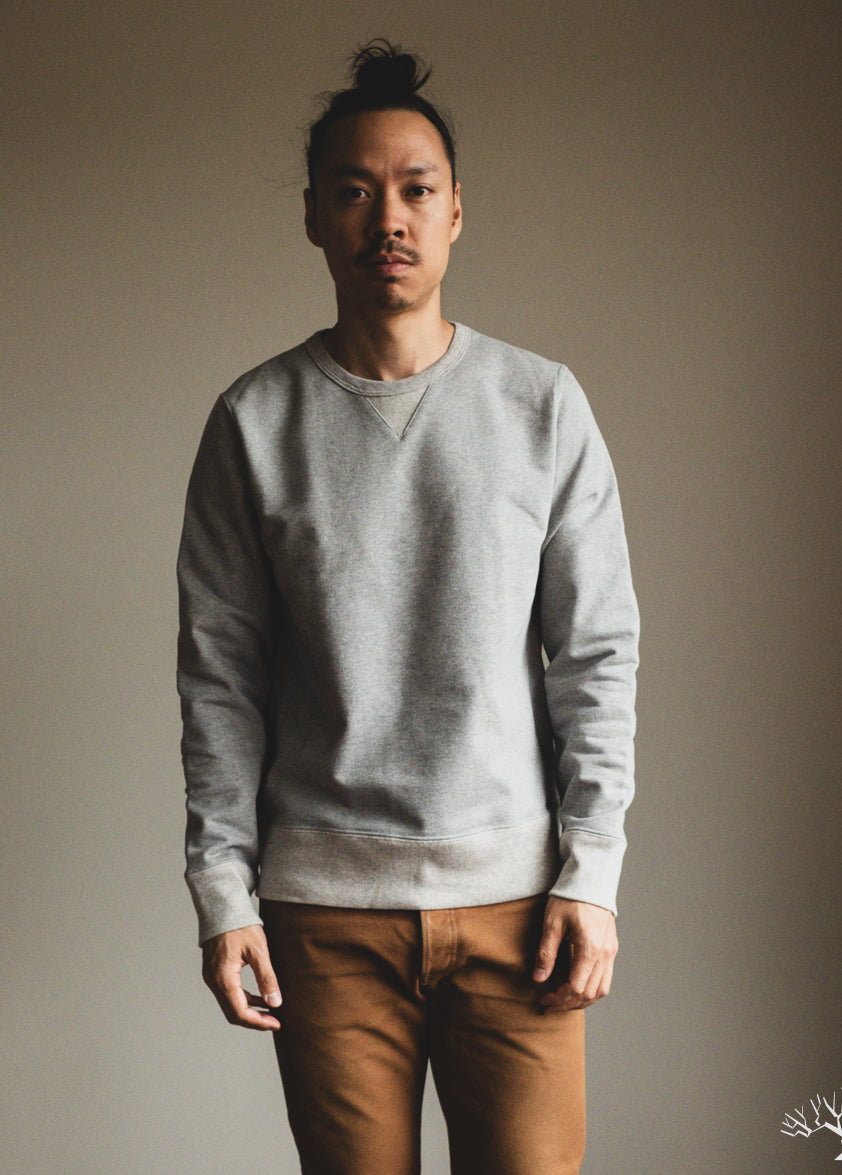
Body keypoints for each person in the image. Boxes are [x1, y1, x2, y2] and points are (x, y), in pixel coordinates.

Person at [177, 39, 639, 1175]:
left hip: (518, 909)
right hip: (323, 918)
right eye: (354, 190)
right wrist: (223, 895)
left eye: (415, 189)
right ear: (313, 216)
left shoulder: (541, 405)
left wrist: (591, 873)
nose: (387, 216)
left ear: (455, 211)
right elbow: (219, 678)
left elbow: (596, 655)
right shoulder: (253, 422)